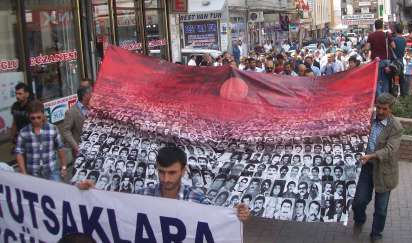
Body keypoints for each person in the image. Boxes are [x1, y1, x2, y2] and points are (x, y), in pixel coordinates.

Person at [78, 146, 250, 221]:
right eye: (161, 172)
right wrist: (93, 192)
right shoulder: (143, 194)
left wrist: (237, 213)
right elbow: (116, 205)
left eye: (172, 173)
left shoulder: (197, 199)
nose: (166, 179)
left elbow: (219, 216)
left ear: (183, 171)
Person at [352, 93, 403, 242]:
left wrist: (372, 155)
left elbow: (390, 150)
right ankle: (359, 219)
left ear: (391, 109)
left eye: (384, 109)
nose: (380, 112)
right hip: (366, 168)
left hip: (384, 171)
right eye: (378, 108)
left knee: (381, 209)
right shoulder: (368, 118)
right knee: (359, 201)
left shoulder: (396, 127)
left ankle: (376, 234)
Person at [15, 100, 67, 181]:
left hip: (51, 172)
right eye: (33, 118)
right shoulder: (23, 132)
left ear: (43, 115)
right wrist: (23, 172)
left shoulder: (53, 129)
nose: (36, 120)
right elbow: (19, 153)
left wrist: (63, 166)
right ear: (29, 116)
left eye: (38, 117)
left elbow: (60, 148)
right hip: (33, 174)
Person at [363, 19, 396, 96]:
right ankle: (385, 99)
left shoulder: (371, 35)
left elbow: (367, 48)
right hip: (386, 61)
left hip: (376, 62)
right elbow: (394, 46)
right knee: (385, 81)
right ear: (382, 26)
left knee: (377, 81)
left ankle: (379, 98)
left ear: (375, 26)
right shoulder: (387, 34)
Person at [62, 86, 92, 159]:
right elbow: (66, 131)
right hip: (80, 148)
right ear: (85, 96)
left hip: (93, 146)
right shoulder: (71, 112)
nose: (92, 95)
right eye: (90, 93)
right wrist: (76, 147)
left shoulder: (92, 108)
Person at [11, 83, 33, 149]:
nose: (17, 96)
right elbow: (14, 123)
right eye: (16, 93)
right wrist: (12, 137)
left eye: (20, 94)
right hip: (20, 138)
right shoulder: (15, 106)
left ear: (27, 94)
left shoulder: (33, 106)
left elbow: (42, 122)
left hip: (32, 139)